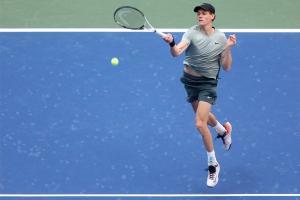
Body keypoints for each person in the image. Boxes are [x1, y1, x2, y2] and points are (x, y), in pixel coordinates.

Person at [163, 3, 237, 187]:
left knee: (199, 123)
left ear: (213, 16)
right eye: (198, 14)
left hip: (207, 84)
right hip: (189, 81)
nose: (200, 16)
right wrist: (172, 43)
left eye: (204, 13)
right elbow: (177, 53)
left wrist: (227, 47)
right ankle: (222, 130)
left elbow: (227, 67)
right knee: (201, 115)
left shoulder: (220, 38)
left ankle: (213, 165)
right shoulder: (191, 32)